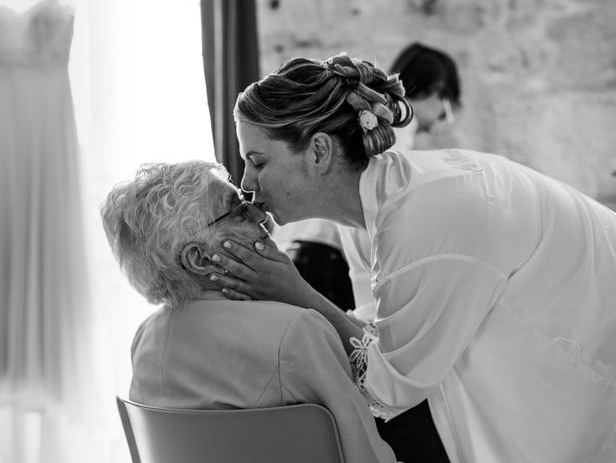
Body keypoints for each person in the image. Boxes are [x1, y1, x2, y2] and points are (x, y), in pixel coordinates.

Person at [207, 54, 616, 463]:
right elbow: (377, 338)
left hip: (584, 327)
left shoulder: (424, 214)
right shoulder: (364, 216)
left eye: (257, 161)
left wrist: (293, 290)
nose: (246, 182)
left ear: (318, 151)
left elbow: (390, 387)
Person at [99, 160, 397, 463]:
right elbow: (367, 455)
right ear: (199, 259)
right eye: (238, 210)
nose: (259, 214)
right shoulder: (296, 330)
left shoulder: (146, 340)